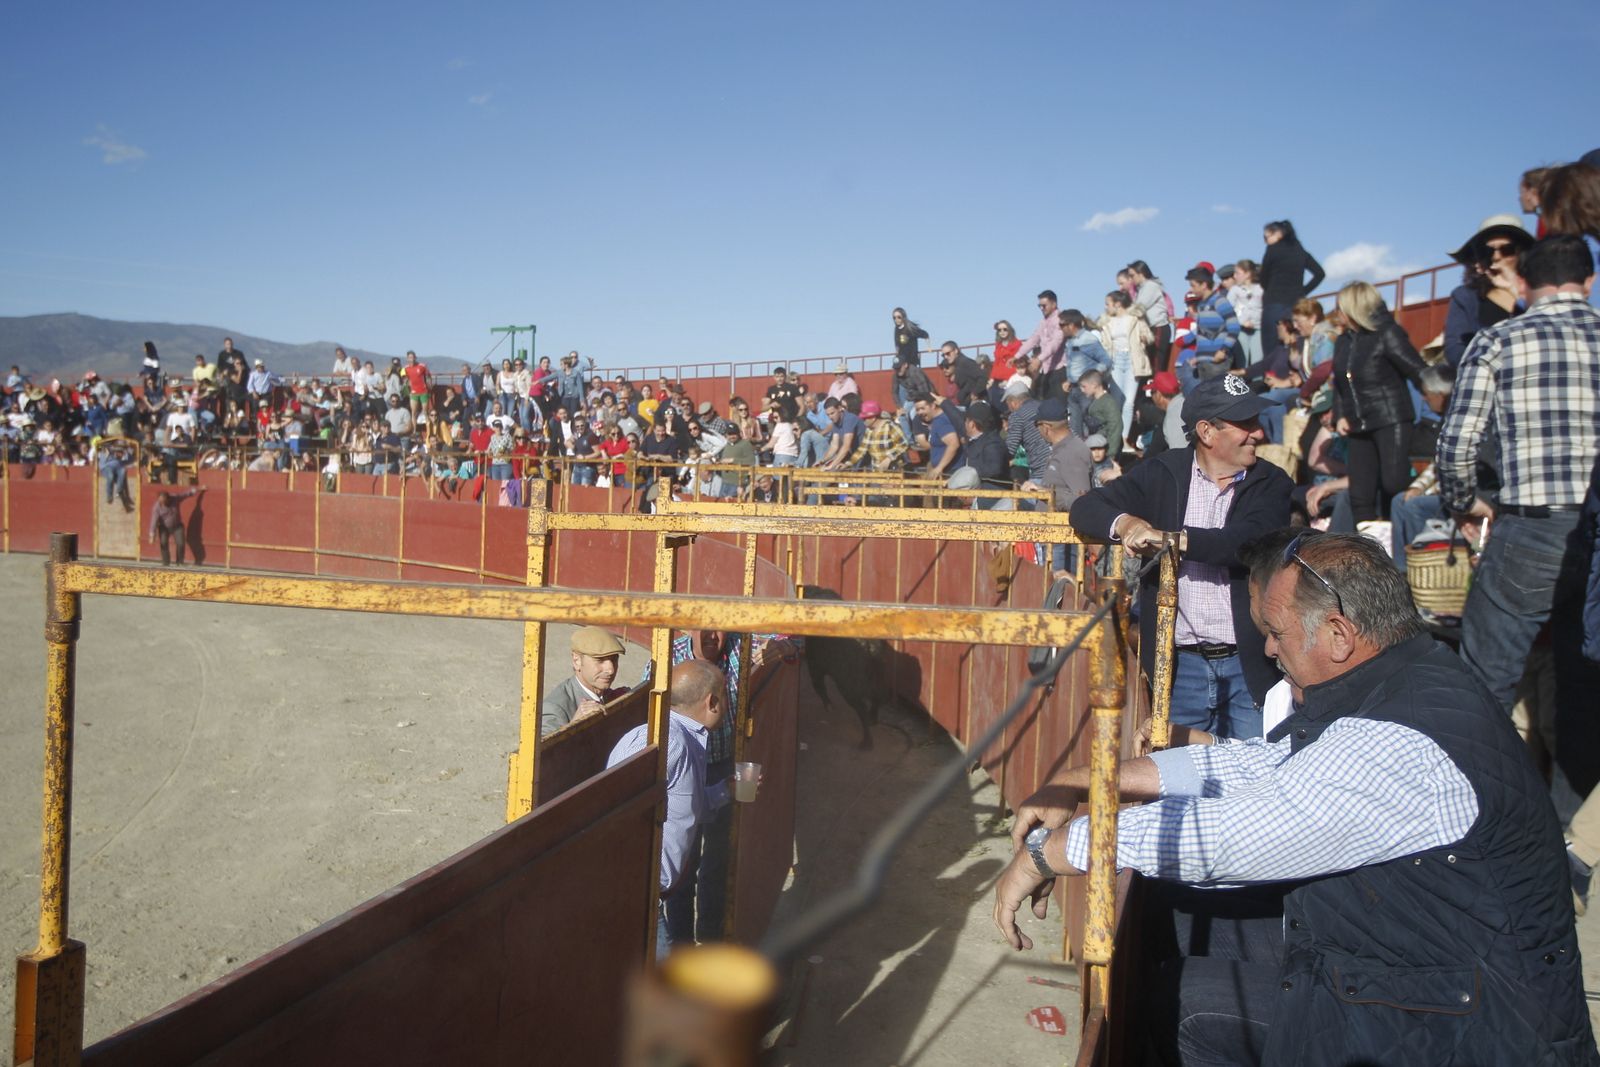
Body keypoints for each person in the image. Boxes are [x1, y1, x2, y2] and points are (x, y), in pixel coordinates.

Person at [997, 531, 1597, 1065]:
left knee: (1177, 1000)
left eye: (1276, 633)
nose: (1266, 651)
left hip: (1466, 1029)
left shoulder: (1396, 740)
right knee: (1171, 907)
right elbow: (1257, 764)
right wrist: (1084, 780)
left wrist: (1053, 851)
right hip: (1422, 967)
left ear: (1338, 633)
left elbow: (1230, 838)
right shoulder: (1405, 677)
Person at [1437, 234, 1600, 794]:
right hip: (1594, 527)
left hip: (1530, 525)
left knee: (1487, 682)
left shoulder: (1501, 339)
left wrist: (1464, 503)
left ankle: (1482, 818)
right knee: (1585, 687)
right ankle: (1574, 845)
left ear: (1525, 283)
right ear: (1591, 280)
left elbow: (1455, 445)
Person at [1071, 375, 1291, 739]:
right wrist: (1126, 523)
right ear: (1206, 431)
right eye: (1245, 424)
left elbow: (1251, 541)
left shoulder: (1272, 482)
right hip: (1179, 666)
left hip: (1249, 662)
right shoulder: (1163, 472)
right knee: (1181, 779)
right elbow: (1086, 507)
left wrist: (1171, 540)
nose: (1258, 433)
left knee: (1253, 777)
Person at [606, 659, 734, 958]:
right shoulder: (668, 742)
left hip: (648, 891)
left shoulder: (683, 738)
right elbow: (615, 808)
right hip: (636, 892)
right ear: (712, 702)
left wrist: (724, 791)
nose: (729, 703)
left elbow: (685, 805)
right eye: (725, 695)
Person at [1330, 281, 1428, 524]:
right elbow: (1341, 383)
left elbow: (1418, 371)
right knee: (1360, 492)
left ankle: (1400, 532)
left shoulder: (1387, 333)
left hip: (1390, 418)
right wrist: (1340, 414)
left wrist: (1440, 403)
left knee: (1393, 482)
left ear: (1354, 308)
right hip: (1358, 425)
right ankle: (1371, 548)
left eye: (1340, 307)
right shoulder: (1344, 341)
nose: (1336, 313)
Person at [1443, 215, 1533, 367]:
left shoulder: (1539, 291)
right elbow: (1454, 349)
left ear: (1521, 253)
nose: (1496, 257)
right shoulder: (1465, 296)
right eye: (1488, 251)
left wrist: (1516, 291)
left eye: (1507, 250)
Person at [542, 626, 629, 735]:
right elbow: (542, 751)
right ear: (577, 661)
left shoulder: (607, 694)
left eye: (614, 659)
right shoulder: (554, 708)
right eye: (600, 660)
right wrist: (573, 727)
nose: (610, 670)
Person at [1259, 219, 1326, 346]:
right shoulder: (1300, 251)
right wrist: (1303, 291)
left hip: (1274, 303)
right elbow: (1320, 274)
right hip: (1295, 305)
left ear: (1278, 234)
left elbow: (1264, 278)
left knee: (1271, 349)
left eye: (1266, 236)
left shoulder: (1272, 250)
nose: (1265, 240)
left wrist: (1269, 288)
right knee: (1295, 345)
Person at [1127, 261, 1173, 373]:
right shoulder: (1142, 289)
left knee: (1156, 364)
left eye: (1132, 275)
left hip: (1158, 327)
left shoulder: (1151, 286)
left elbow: (1140, 307)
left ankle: (1158, 389)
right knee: (1151, 364)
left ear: (1141, 273)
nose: (1131, 279)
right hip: (1151, 329)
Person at [1014, 290, 1065, 387]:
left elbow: (1055, 344)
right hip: (1046, 369)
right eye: (1039, 306)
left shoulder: (1060, 320)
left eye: (1044, 305)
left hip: (1059, 369)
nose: (1041, 308)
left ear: (1053, 304)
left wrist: (1039, 359)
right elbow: (1034, 338)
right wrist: (1017, 355)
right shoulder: (1043, 322)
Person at [149, 488, 203, 565]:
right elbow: (153, 521)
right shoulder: (157, 507)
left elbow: (186, 494)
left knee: (181, 543)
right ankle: (166, 562)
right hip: (164, 527)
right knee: (163, 543)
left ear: (168, 498)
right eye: (161, 502)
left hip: (177, 526)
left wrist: (199, 489)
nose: (163, 504)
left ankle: (180, 562)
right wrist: (152, 535)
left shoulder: (175, 498)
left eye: (164, 502)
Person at [1076, 369, 1122, 450]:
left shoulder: (1108, 402)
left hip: (1106, 447)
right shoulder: (1093, 401)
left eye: (1084, 386)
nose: (1082, 390)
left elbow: (1116, 426)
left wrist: (1111, 452)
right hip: (1096, 446)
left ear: (1094, 385)